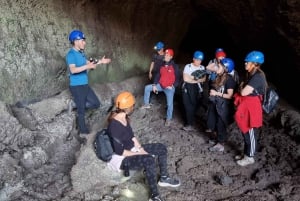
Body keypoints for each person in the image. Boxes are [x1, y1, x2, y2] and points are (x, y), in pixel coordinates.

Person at [107, 91, 181, 201]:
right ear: (128, 107)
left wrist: (141, 149)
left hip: (131, 150)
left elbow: (132, 137)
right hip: (122, 158)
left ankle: (164, 178)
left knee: (161, 148)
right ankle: (154, 196)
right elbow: (120, 151)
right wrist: (139, 153)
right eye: (133, 105)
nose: (133, 107)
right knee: (149, 160)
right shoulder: (114, 125)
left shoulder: (124, 118)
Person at [65, 29, 111, 134]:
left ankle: (75, 103)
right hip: (76, 86)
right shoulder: (71, 54)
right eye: (82, 40)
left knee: (96, 103)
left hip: (84, 84)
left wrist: (101, 62)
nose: (84, 43)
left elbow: (89, 63)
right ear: (75, 41)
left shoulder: (81, 53)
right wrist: (88, 66)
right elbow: (73, 70)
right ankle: (83, 132)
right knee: (81, 112)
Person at [234, 51, 267, 166]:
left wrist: (241, 89)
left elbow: (243, 92)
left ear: (254, 63)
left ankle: (250, 157)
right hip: (248, 105)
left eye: (247, 62)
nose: (245, 64)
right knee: (245, 131)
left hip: (252, 107)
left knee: (250, 132)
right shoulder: (252, 74)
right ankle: (246, 153)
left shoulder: (257, 77)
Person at [141, 49, 181, 126]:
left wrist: (173, 85)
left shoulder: (174, 66)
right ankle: (146, 104)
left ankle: (168, 119)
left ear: (171, 57)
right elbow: (158, 76)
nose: (165, 56)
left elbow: (178, 78)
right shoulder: (162, 65)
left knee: (169, 104)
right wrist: (154, 84)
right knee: (147, 88)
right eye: (165, 55)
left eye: (167, 55)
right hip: (161, 85)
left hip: (169, 88)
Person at [206, 58, 237, 152]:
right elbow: (209, 67)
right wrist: (218, 64)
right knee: (211, 121)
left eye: (219, 66)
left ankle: (220, 143)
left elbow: (230, 96)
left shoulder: (229, 80)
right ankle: (216, 138)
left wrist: (216, 93)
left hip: (224, 106)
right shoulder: (218, 76)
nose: (216, 67)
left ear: (225, 69)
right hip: (215, 103)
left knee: (220, 124)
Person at [181, 51, 206, 131]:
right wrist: (197, 79)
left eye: (200, 60)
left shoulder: (202, 67)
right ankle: (189, 124)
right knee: (188, 106)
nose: (199, 62)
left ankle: (192, 118)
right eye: (197, 59)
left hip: (197, 89)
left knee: (195, 104)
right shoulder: (188, 67)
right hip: (187, 88)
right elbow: (185, 79)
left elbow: (204, 79)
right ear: (193, 59)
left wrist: (192, 78)